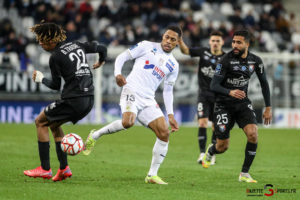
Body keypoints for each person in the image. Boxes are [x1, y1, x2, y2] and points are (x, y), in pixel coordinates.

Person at [83, 25, 181, 185]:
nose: (168, 41)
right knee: (128, 122)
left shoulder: (174, 65)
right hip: (131, 90)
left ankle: (152, 175)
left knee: (164, 133)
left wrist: (170, 114)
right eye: (166, 37)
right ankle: (95, 135)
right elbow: (122, 57)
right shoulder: (146, 46)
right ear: (162, 36)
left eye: (173, 39)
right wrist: (118, 74)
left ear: (178, 42)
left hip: (149, 99)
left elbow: (168, 91)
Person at [23, 22, 107, 182]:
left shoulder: (55, 57)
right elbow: (102, 48)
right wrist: (101, 61)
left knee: (40, 122)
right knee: (54, 125)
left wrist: (41, 79)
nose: (40, 43)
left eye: (43, 40)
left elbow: (55, 85)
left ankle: (44, 169)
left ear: (52, 40)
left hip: (73, 99)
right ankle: (63, 169)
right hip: (88, 100)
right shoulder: (77, 44)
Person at [202, 30, 272, 183]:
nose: (234, 45)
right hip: (223, 105)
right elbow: (214, 85)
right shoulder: (225, 60)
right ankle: (211, 151)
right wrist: (230, 92)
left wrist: (268, 107)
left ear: (247, 44)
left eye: (239, 42)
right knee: (222, 147)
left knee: (253, 134)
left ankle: (244, 173)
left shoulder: (256, 61)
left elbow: (264, 84)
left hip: (242, 104)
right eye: (233, 42)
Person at [178, 31, 225, 165]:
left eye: (218, 41)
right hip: (203, 95)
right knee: (202, 122)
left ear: (222, 42)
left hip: (218, 97)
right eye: (213, 40)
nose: (215, 43)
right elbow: (186, 51)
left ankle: (212, 154)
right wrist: (180, 41)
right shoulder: (203, 52)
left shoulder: (226, 58)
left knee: (216, 126)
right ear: (209, 42)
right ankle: (202, 153)